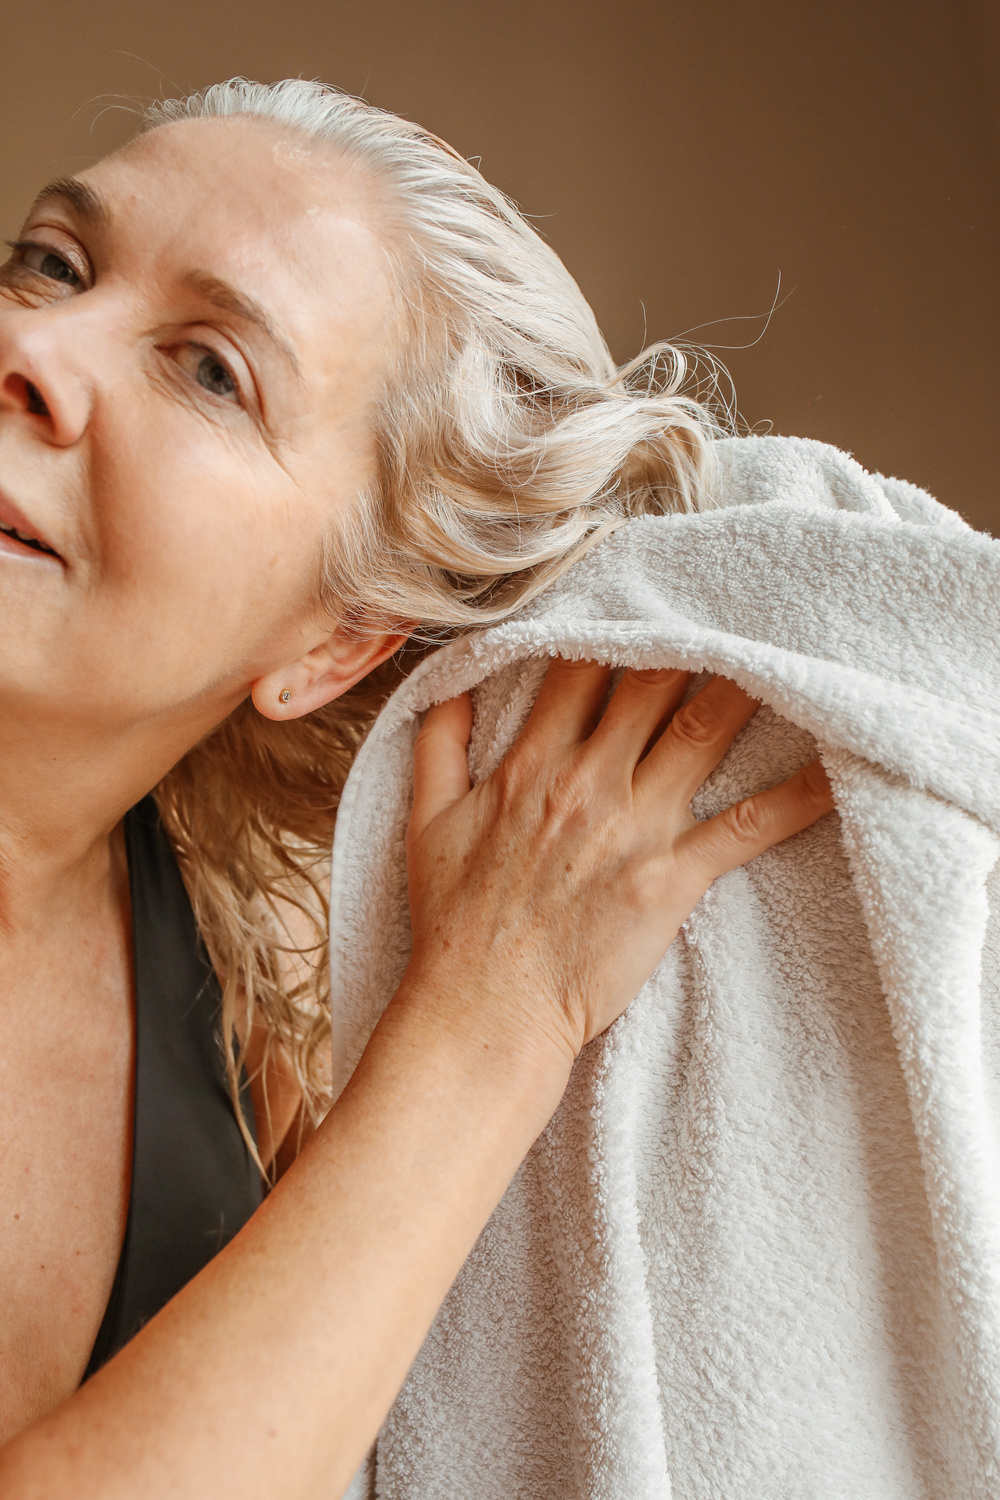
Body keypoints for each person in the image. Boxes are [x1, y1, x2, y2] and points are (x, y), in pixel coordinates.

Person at [0, 78, 834, 1498]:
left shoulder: (241, 1004)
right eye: (51, 261)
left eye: (211, 368)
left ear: (333, 646)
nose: (32, 340)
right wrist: (491, 1024)